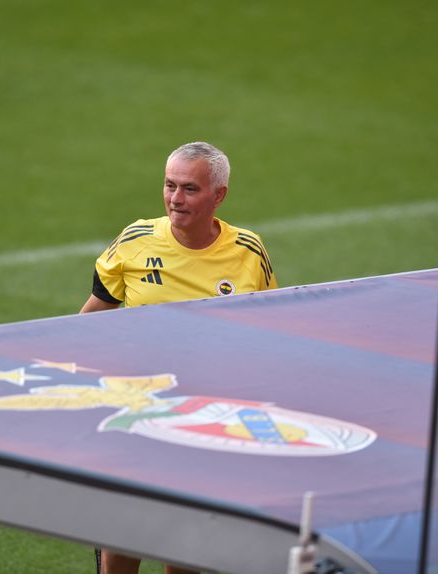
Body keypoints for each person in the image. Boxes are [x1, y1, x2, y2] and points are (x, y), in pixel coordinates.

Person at [80, 142, 278, 573]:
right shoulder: (134, 241)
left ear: (219, 195)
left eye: (189, 189)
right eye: (169, 186)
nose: (175, 199)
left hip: (207, 415)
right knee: (125, 528)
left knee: (189, 536)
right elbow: (90, 320)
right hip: (137, 408)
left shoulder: (248, 251)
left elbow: (266, 334)